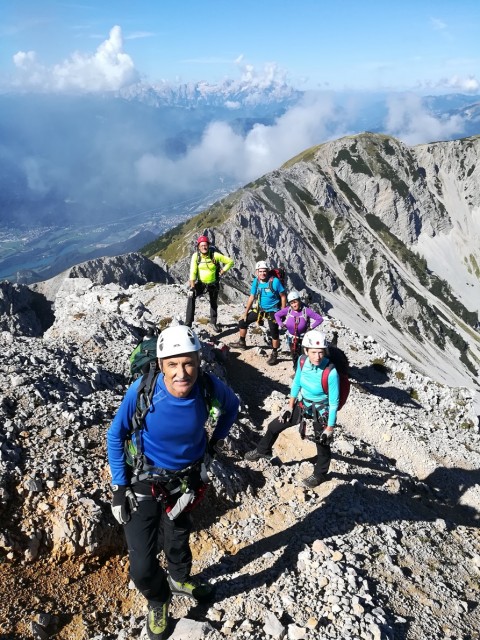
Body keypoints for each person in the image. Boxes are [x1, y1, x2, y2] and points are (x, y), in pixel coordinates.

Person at [107, 325, 239, 640]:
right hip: (145, 479)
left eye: (188, 363)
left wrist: (213, 444)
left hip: (187, 480)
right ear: (162, 365)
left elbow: (231, 407)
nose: (182, 372)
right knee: (141, 564)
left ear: (198, 361)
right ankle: (159, 596)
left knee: (178, 535)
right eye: (173, 365)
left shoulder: (208, 386)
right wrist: (119, 487)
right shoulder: (142, 390)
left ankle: (179, 579)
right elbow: (116, 434)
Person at [245, 330, 339, 488]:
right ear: (306, 351)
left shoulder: (331, 372)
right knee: (274, 426)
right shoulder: (302, 361)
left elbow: (334, 403)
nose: (318, 356)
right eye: (314, 352)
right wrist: (289, 406)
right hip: (302, 404)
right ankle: (263, 450)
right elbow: (296, 383)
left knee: (322, 442)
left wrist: (329, 428)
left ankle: (320, 474)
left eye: (321, 352)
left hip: (321, 409)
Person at [230, 260, 287, 365]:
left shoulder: (275, 281)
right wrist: (245, 312)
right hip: (260, 309)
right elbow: (252, 297)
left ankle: (274, 353)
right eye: (260, 271)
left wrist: (282, 312)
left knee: (274, 331)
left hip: (274, 310)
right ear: (257, 272)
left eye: (264, 271)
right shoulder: (256, 281)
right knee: (243, 321)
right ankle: (242, 342)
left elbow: (283, 296)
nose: (262, 273)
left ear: (268, 271)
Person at [185, 235, 234, 332]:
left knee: (213, 303)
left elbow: (230, 262)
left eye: (205, 245)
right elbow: (193, 272)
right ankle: (188, 324)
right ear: (198, 247)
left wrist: (223, 271)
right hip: (201, 283)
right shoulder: (196, 256)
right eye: (202, 245)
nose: (204, 247)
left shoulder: (215, 255)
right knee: (191, 296)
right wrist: (193, 287)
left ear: (208, 245)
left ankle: (213, 323)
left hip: (213, 283)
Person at [274, 290, 324, 369]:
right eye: (292, 303)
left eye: (295, 302)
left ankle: (302, 371)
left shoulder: (306, 310)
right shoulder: (288, 310)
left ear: (299, 301)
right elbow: (276, 315)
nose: (294, 305)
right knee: (294, 355)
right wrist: (281, 324)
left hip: (303, 338)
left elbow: (319, 319)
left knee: (303, 357)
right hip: (291, 338)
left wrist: (311, 327)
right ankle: (296, 370)